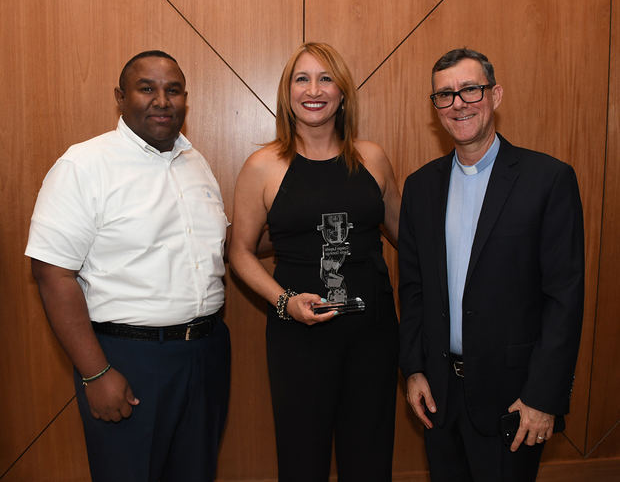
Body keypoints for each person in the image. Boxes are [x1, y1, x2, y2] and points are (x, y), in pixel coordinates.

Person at [25, 50, 230, 482]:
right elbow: (52, 273)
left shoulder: (197, 164)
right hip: (128, 360)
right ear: (120, 97)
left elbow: (219, 249)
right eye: (147, 88)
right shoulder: (84, 165)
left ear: (185, 99)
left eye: (173, 90)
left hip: (206, 354)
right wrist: (96, 372)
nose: (162, 100)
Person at [398, 47, 585, 481]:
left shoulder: (548, 180)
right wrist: (414, 370)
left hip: (515, 401)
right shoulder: (421, 187)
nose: (458, 103)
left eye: (470, 89)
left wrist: (543, 397)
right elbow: (413, 287)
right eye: (444, 95)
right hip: (439, 397)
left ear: (495, 95)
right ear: (436, 108)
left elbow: (564, 299)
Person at [229, 42, 401, 481]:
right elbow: (240, 252)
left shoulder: (373, 158)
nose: (314, 89)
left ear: (343, 93)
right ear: (288, 93)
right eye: (302, 79)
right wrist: (284, 301)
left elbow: (408, 238)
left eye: (326, 78)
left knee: (370, 458)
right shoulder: (263, 166)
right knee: (302, 459)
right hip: (299, 340)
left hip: (373, 335)